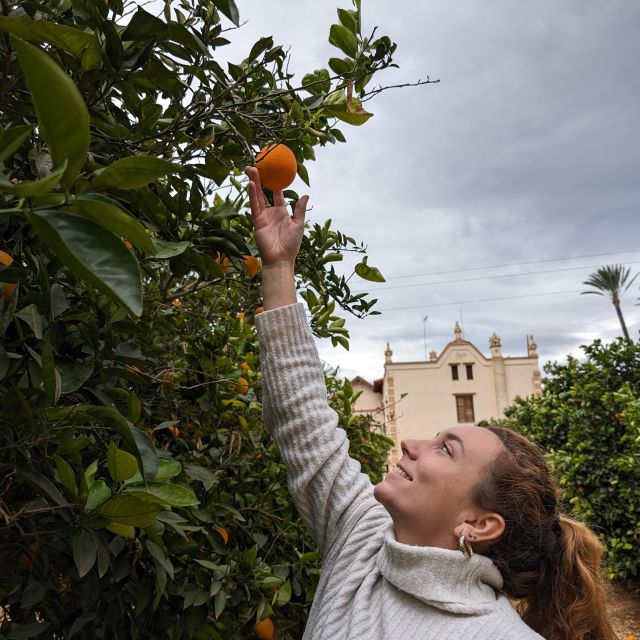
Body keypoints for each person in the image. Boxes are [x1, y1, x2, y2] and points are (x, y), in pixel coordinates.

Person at [245, 166, 616, 640]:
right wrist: (278, 271)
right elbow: (303, 421)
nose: (412, 445)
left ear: (479, 524)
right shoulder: (362, 540)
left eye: (446, 449)